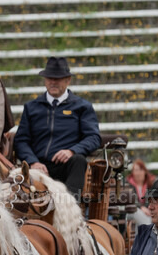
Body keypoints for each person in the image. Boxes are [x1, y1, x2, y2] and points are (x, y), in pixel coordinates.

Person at [12, 56, 101, 200]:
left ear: (68, 80)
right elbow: (21, 140)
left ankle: (69, 205)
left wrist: (72, 151)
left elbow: (93, 137)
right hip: (38, 166)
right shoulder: (31, 107)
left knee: (78, 160)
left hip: (66, 167)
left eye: (58, 79)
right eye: (49, 78)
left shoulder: (82, 107)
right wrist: (33, 162)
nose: (53, 82)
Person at [127, 159, 157, 226]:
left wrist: (150, 209)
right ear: (133, 173)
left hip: (148, 212)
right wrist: (141, 208)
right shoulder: (128, 184)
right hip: (132, 210)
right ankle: (148, 233)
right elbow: (130, 200)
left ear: (145, 171)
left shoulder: (150, 185)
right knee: (138, 213)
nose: (138, 173)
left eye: (141, 170)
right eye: (136, 170)